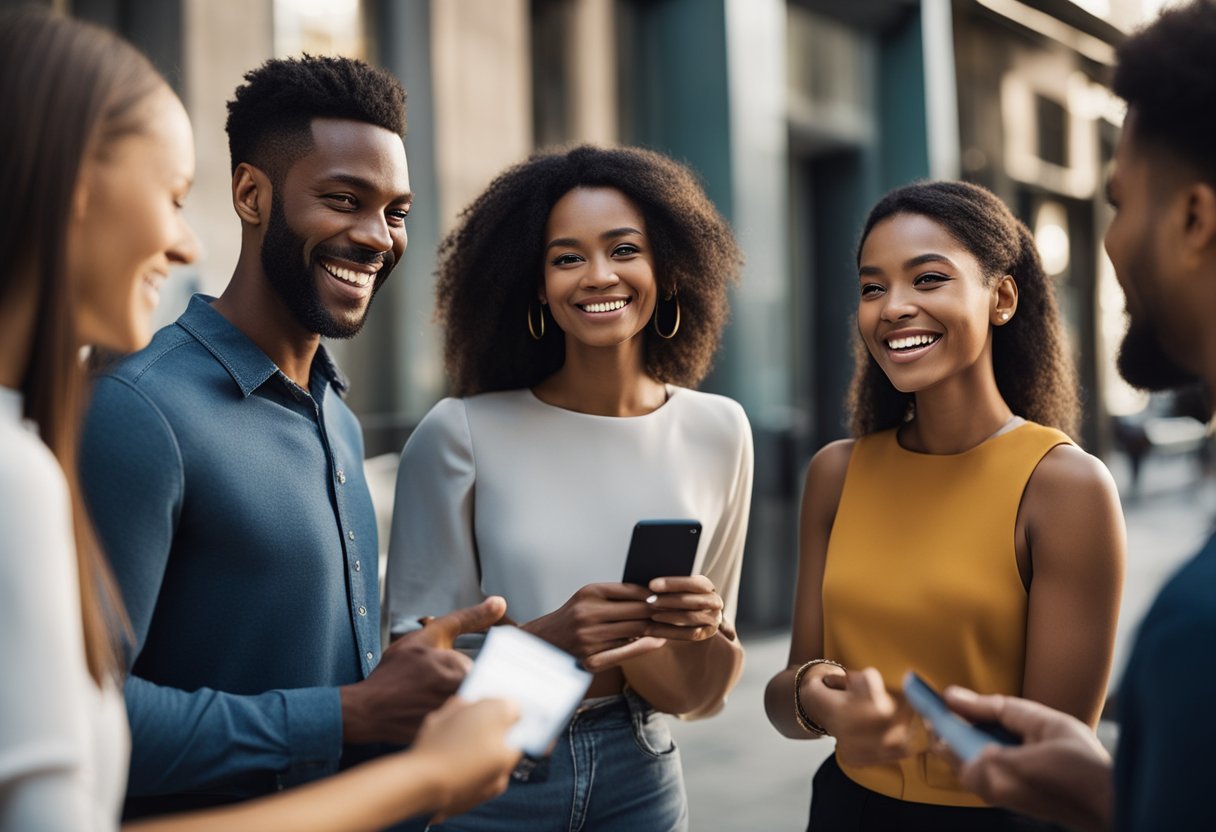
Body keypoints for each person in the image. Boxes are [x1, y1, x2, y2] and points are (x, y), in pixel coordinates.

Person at [0, 8, 520, 832]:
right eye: (344, 199)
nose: (378, 237)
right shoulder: (139, 413)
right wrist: (351, 712)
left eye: (396, 210)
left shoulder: (339, 417)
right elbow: (82, 718)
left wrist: (402, 692)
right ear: (251, 194)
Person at [385, 145, 753, 831]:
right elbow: (411, 662)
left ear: (667, 267)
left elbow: (699, 698)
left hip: (642, 768)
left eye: (624, 249)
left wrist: (698, 632)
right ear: (535, 284)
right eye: (566, 257)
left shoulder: (720, 430)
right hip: (495, 766)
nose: (599, 275)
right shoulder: (461, 432)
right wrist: (548, 641)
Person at [764, 180, 1126, 830]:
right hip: (845, 809)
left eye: (927, 280)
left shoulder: (1065, 486)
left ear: (1002, 297)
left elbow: (1056, 755)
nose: (893, 307)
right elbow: (789, 691)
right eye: (873, 288)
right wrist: (822, 702)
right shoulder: (836, 473)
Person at [944, 3, 1216, 830]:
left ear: (1195, 220)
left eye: (1119, 202)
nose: (1109, 242)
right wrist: (1119, 797)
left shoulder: (1197, 635)